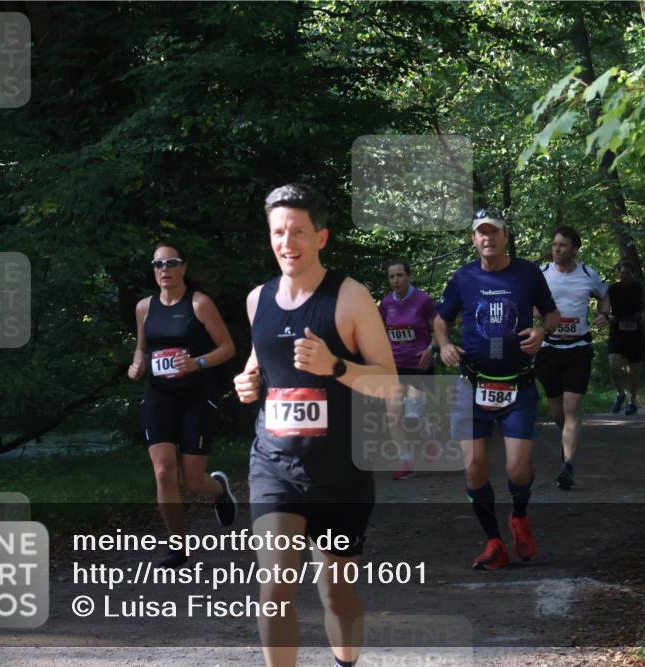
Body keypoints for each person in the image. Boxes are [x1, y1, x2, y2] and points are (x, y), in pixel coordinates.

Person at [233, 183, 397, 667]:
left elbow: (388, 382)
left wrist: (337, 367)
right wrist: (247, 381)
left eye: (298, 232)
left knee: (336, 595)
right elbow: (262, 360)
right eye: (279, 233)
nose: (288, 242)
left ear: (321, 237)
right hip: (274, 464)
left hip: (341, 472)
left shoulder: (349, 298)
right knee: (275, 584)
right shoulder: (256, 299)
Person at [434, 207, 559, 570]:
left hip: (517, 386)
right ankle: (493, 543)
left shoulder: (527, 273)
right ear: (474, 239)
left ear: (506, 237)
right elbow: (440, 320)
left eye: (494, 232)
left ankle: (519, 516)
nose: (487, 238)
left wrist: (542, 332)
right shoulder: (463, 278)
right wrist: (443, 345)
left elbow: (551, 314)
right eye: (480, 233)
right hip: (471, 385)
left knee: (518, 470)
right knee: (473, 466)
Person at [127, 242, 238, 568]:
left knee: (192, 481)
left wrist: (198, 363)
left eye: (171, 263)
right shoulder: (144, 307)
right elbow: (141, 347)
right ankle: (178, 547)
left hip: (195, 397)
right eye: (158, 265)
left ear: (183, 268)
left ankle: (218, 489)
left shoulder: (200, 304)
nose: (164, 270)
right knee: (163, 471)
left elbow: (227, 348)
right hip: (160, 397)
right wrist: (137, 365)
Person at [536, 226, 610, 491]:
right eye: (555, 245)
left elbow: (605, 296)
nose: (557, 249)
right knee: (557, 411)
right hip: (548, 348)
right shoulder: (542, 274)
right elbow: (530, 301)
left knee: (571, 405)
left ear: (575, 249)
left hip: (578, 347)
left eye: (563, 245)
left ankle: (567, 465)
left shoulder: (588, 274)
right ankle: (568, 439)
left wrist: (605, 314)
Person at [379, 258, 438, 480]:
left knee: (413, 414)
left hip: (419, 365)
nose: (396, 280)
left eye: (400, 275)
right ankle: (406, 459)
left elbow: (439, 329)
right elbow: (379, 332)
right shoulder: (385, 304)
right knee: (393, 414)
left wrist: (431, 348)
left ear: (409, 276)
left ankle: (428, 432)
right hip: (394, 366)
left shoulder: (423, 301)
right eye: (392, 276)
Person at [606, 260, 645, 416]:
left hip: (635, 331)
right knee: (614, 364)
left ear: (632, 274)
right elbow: (603, 308)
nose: (624, 275)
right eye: (621, 273)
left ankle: (632, 402)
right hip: (617, 330)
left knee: (634, 371)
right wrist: (607, 317)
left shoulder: (638, 288)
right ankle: (620, 394)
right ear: (618, 273)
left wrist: (644, 319)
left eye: (627, 273)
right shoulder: (612, 289)